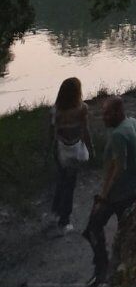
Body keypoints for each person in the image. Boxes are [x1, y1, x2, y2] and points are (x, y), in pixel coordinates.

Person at [82, 97, 136, 287]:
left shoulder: (117, 134)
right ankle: (122, 270)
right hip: (135, 186)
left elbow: (119, 167)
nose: (103, 117)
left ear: (118, 112)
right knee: (126, 230)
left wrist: (103, 195)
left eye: (107, 113)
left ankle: (102, 270)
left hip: (119, 193)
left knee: (93, 228)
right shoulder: (133, 123)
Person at [49, 77, 93, 233]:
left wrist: (50, 148)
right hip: (74, 150)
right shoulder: (82, 109)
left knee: (61, 181)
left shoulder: (56, 110)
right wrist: (91, 148)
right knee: (70, 185)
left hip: (60, 149)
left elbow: (52, 132)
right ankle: (64, 221)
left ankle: (55, 212)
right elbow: (85, 130)